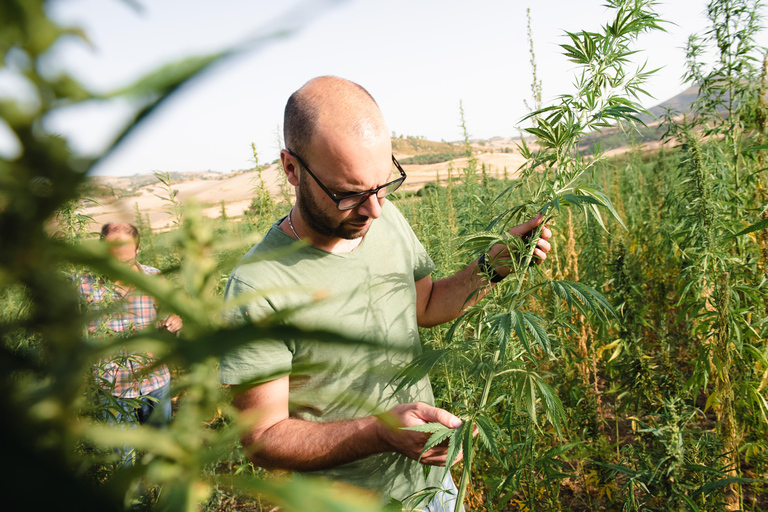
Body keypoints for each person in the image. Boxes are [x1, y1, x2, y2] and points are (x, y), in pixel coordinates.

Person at [219, 76, 551, 509]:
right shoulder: (256, 288)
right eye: (350, 193)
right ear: (291, 169)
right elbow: (262, 439)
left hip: (432, 484)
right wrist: (379, 433)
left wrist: (491, 267)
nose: (374, 209)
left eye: (381, 185)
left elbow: (425, 305)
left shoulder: (385, 218)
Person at [75, 223, 182, 460]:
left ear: (137, 248)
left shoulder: (155, 278)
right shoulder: (83, 284)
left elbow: (169, 318)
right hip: (110, 387)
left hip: (155, 381)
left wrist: (174, 322)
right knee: (123, 461)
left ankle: (162, 496)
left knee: (160, 453)